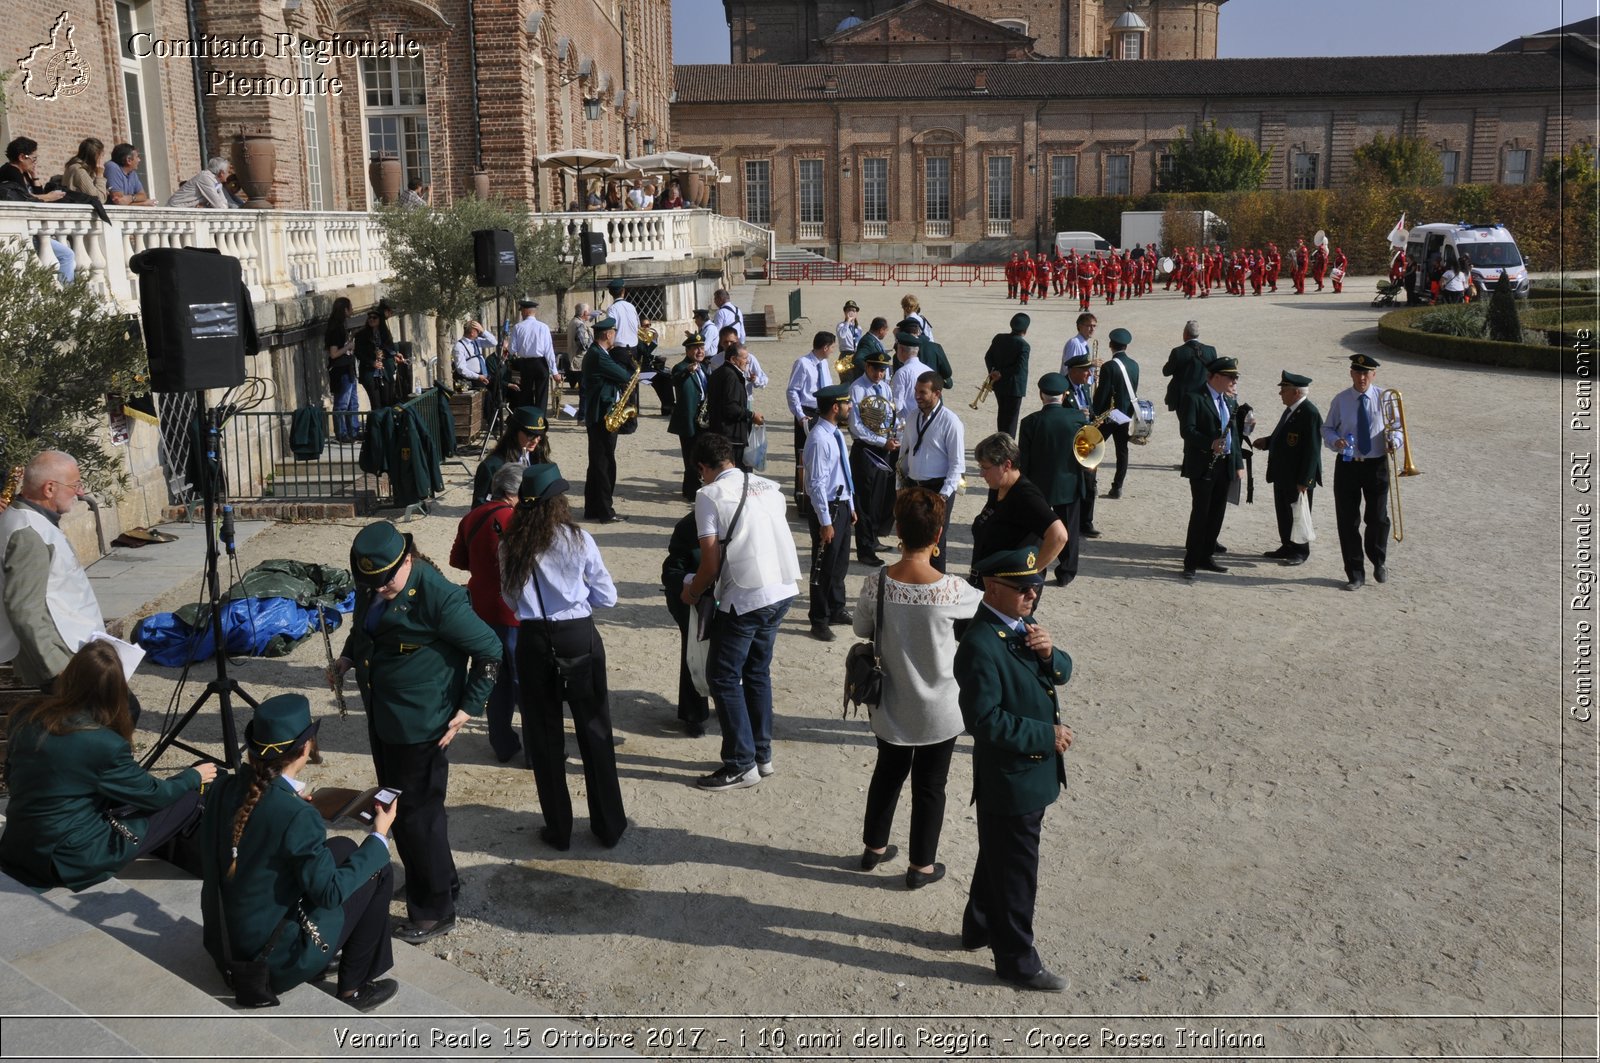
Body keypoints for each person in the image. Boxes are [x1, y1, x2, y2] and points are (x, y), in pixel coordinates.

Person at [330, 522, 501, 943]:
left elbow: (490, 650)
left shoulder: (438, 597)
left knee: (417, 816)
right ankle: (438, 880)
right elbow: (365, 629)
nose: (380, 588)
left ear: (407, 558)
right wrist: (348, 659)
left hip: (421, 725)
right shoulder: (375, 582)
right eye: (372, 581)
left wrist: (468, 707)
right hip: (386, 716)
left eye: (387, 580)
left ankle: (433, 912)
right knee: (404, 811)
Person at [198, 693, 398, 1010]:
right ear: (306, 747)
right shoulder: (296, 816)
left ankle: (332, 958)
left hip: (225, 943)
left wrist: (293, 812)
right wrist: (379, 835)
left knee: (343, 847)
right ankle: (354, 988)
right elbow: (329, 894)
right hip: (269, 961)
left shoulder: (224, 787)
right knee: (377, 866)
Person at [0, 641, 214, 891]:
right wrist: (192, 776)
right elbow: (156, 796)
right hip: (65, 861)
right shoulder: (105, 744)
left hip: (17, 849)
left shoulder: (25, 715)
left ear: (67, 676)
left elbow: (12, 776)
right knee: (186, 800)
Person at [955, 547, 1074, 992]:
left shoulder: (1019, 626)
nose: (1032, 596)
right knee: (1017, 871)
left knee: (998, 855)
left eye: (1037, 588)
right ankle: (1017, 959)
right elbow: (983, 721)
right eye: (1023, 588)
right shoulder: (981, 644)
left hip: (1024, 777)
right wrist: (1046, 736)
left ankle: (979, 925)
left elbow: (1061, 673)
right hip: (1011, 778)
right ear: (991, 587)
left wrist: (1050, 655)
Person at [854, 488, 980, 889]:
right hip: (940, 708)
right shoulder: (953, 591)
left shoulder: (877, 584)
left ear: (898, 532)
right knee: (931, 785)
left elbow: (860, 629)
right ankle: (921, 865)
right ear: (938, 533)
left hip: (891, 701)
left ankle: (874, 848)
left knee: (887, 774)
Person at [500, 464, 627, 849]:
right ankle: (608, 826)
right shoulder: (578, 539)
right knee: (595, 729)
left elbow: (509, 599)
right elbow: (607, 597)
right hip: (578, 637)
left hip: (534, 641)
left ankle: (558, 830)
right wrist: (574, 601)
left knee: (544, 737)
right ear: (558, 502)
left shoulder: (510, 545)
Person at [680, 434, 800, 791]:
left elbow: (710, 561)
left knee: (724, 677)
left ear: (703, 467)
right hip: (783, 586)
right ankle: (762, 755)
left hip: (747, 595)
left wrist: (693, 591)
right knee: (758, 671)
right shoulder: (767, 485)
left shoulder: (708, 496)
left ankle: (740, 763)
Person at [0, 451, 116, 691]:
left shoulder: (31, 522)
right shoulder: (28, 534)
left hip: (72, 647)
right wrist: (56, 670)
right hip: (63, 655)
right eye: (75, 485)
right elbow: (24, 609)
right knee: (119, 710)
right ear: (49, 489)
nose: (80, 492)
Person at [449, 464, 526, 764]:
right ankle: (536, 750)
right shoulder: (513, 518)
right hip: (511, 612)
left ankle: (503, 745)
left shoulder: (472, 516)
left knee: (492, 679)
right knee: (522, 682)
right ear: (512, 492)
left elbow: (457, 559)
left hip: (479, 609)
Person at [1321, 354, 1401, 590]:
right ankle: (1355, 573)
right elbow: (1326, 428)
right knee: (1347, 521)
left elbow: (1397, 428)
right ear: (1351, 373)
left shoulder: (1385, 398)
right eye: (1358, 372)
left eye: (1366, 373)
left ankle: (1378, 560)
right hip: (1347, 464)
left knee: (1377, 518)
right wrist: (1336, 441)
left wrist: (1394, 442)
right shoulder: (1341, 400)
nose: (1362, 377)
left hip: (1376, 464)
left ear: (1374, 375)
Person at [1018, 374, 1092, 586]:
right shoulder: (1078, 418)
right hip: (1069, 483)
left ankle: (1037, 569)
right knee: (1069, 530)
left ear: (1041, 395)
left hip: (1038, 485)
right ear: (1065, 394)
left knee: (1038, 530)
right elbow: (1085, 453)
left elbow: (1024, 459)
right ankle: (1066, 572)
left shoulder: (1030, 422)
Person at [969, 433, 1067, 587]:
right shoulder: (997, 487)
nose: (981, 474)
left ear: (1007, 465)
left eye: (986, 468)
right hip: (987, 584)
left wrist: (1028, 575)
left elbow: (1059, 536)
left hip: (1010, 592)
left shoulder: (1026, 496)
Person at [1178, 357, 1245, 580]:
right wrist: (1210, 442)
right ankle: (1191, 561)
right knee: (1201, 513)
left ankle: (1206, 555)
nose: (1234, 381)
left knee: (1217, 512)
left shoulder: (1230, 401)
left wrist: (1238, 463)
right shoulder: (1194, 398)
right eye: (1230, 377)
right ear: (1215, 377)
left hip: (1224, 464)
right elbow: (1187, 430)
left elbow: (1234, 434)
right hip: (1203, 464)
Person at [802, 383, 857, 641]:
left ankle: (837, 606)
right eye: (847, 403)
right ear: (836, 407)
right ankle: (819, 618)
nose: (850, 407)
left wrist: (851, 505)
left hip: (842, 504)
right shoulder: (819, 439)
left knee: (840, 563)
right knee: (824, 566)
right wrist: (825, 521)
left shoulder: (834, 433)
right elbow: (816, 484)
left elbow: (841, 474)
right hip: (828, 509)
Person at [1252, 371, 1323, 567]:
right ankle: (1287, 545)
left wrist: (1306, 480)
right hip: (1283, 473)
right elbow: (1283, 437)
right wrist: (1266, 442)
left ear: (1296, 392)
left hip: (1297, 476)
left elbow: (1312, 450)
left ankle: (1300, 550)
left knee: (1298, 513)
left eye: (1284, 390)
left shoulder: (1310, 413)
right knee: (1283, 512)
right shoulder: (1292, 410)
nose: (1280, 393)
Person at [901, 373, 965, 574]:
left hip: (938, 489)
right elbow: (904, 455)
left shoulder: (950, 421)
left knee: (935, 541)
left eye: (923, 392)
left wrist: (943, 497)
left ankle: (936, 583)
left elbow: (957, 465)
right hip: (913, 486)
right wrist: (899, 487)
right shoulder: (912, 417)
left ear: (937, 393)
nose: (917, 396)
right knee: (912, 538)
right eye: (916, 391)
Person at [847, 349, 899, 566]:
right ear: (867, 367)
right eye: (876, 369)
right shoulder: (857, 389)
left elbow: (890, 416)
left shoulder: (885, 387)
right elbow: (856, 426)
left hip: (883, 448)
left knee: (878, 499)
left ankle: (873, 539)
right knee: (865, 502)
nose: (880, 374)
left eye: (883, 370)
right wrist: (881, 441)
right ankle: (865, 550)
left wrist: (893, 435)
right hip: (866, 451)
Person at [661, 511, 711, 736]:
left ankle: (727, 701)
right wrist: (692, 583)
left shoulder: (742, 517)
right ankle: (693, 714)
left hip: (729, 595)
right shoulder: (690, 525)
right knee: (694, 651)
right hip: (691, 598)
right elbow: (671, 571)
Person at [580, 316, 633, 523]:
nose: (615, 337)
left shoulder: (600, 353)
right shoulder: (599, 355)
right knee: (604, 465)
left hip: (602, 414)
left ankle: (593, 508)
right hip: (602, 416)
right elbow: (623, 375)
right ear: (608, 334)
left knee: (597, 464)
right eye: (614, 333)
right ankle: (605, 511)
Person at [1, 137, 75, 281]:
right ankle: (66, 296)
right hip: (25, 230)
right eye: (33, 159)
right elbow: (24, 198)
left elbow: (37, 195)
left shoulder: (22, 172)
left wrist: (34, 176)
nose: (35, 162)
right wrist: (49, 196)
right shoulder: (11, 172)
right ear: (22, 157)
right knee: (67, 255)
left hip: (32, 230)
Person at [1091, 327, 1141, 499]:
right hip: (1125, 414)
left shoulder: (1109, 367)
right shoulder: (1134, 365)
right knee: (1122, 451)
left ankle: (1093, 484)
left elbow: (1102, 394)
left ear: (1111, 345)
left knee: (1094, 448)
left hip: (1108, 415)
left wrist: (1093, 413)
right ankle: (1117, 487)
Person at [472, 406, 550, 508]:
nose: (536, 441)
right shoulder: (492, 466)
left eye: (540, 435)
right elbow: (479, 507)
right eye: (530, 435)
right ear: (515, 433)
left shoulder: (539, 459)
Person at [786, 332, 837, 488]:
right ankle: (801, 493)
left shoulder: (824, 364)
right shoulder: (803, 363)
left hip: (824, 412)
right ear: (825, 347)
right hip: (808, 412)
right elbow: (792, 391)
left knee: (822, 452)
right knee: (803, 453)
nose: (833, 350)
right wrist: (800, 415)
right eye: (832, 347)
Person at [1062, 354, 1102, 538]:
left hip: (1087, 440)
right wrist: (1077, 415)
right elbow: (1058, 416)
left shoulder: (1085, 387)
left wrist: (1095, 418)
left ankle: (1086, 521)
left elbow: (1091, 410)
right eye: (1086, 370)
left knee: (1090, 482)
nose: (1089, 373)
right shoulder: (1062, 388)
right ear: (1073, 371)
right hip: (1070, 441)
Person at [668, 332, 710, 502]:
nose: (700, 351)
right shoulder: (681, 367)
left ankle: (690, 488)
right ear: (687, 350)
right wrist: (687, 371)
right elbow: (676, 380)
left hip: (703, 418)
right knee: (690, 456)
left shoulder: (705, 367)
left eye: (702, 348)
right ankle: (692, 491)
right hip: (688, 420)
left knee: (701, 455)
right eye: (695, 348)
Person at [706, 344, 762, 469]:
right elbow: (731, 407)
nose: (747, 362)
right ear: (733, 359)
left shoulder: (719, 373)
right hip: (732, 437)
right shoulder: (732, 376)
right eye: (744, 358)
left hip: (719, 432)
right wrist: (752, 415)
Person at [983, 313, 1031, 438]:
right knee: (1011, 418)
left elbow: (988, 357)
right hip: (1014, 387)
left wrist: (994, 371)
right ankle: (1007, 444)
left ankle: (1000, 440)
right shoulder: (1024, 345)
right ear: (1025, 330)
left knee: (1002, 414)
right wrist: (1002, 373)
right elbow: (1019, 367)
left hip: (998, 384)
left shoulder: (999, 338)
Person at [507, 299, 558, 411]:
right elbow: (549, 350)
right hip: (541, 363)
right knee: (542, 394)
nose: (521, 313)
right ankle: (540, 420)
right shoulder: (543, 327)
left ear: (525, 311)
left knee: (526, 393)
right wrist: (554, 371)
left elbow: (512, 349)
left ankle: (528, 421)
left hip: (525, 364)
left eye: (521, 311)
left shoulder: (518, 327)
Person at [1162, 320, 1217, 416]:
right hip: (1204, 397)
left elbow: (1166, 372)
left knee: (1186, 427)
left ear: (1186, 334)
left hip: (1184, 399)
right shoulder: (1211, 351)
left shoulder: (1178, 352)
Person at [325, 297, 360, 442]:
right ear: (345, 309)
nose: (352, 310)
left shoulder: (341, 326)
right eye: (350, 307)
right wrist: (348, 346)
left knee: (353, 403)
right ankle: (342, 433)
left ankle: (353, 430)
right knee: (341, 404)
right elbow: (333, 354)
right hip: (341, 370)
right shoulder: (334, 328)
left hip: (348, 368)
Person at [353, 310, 392, 412]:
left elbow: (390, 348)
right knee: (376, 404)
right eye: (369, 317)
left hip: (383, 372)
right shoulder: (361, 335)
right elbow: (358, 353)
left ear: (380, 320)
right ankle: (376, 426)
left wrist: (385, 353)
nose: (371, 319)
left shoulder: (385, 333)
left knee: (387, 402)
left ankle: (387, 426)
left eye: (374, 318)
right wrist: (372, 362)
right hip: (369, 372)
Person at [167, 157, 238, 209]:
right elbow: (218, 205)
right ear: (221, 173)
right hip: (175, 209)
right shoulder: (205, 178)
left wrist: (206, 206)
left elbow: (224, 203)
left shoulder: (217, 182)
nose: (229, 174)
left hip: (187, 210)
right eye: (228, 172)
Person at [452, 319, 495, 389]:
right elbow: (461, 369)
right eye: (478, 331)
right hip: (473, 379)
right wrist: (477, 377)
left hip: (484, 376)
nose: (479, 333)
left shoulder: (476, 341)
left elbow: (493, 343)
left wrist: (483, 331)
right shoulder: (459, 346)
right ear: (472, 332)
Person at [61, 138, 108, 203]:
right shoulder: (79, 170)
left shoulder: (86, 169)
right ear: (95, 156)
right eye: (102, 156)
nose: (103, 159)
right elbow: (99, 200)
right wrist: (99, 176)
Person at [605, 279, 641, 363]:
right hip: (634, 348)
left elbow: (611, 330)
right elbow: (638, 326)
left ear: (611, 293)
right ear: (623, 291)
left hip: (619, 350)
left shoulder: (612, 309)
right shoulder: (631, 306)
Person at [835, 300, 863, 381]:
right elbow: (842, 336)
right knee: (846, 380)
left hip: (856, 355)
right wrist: (848, 321)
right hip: (845, 355)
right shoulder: (841, 325)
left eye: (853, 311)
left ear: (856, 313)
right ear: (845, 312)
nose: (851, 312)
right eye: (848, 310)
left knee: (857, 379)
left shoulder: (858, 328)